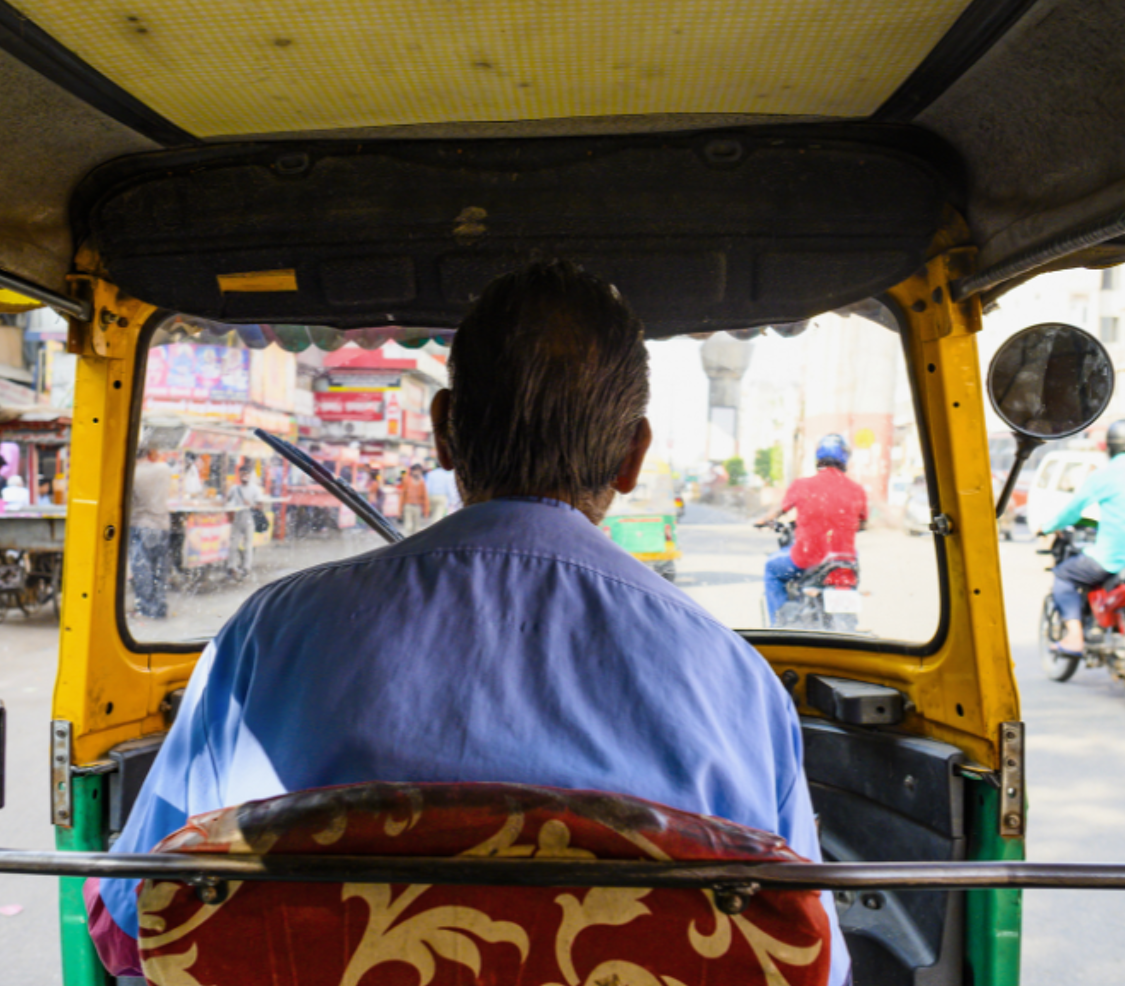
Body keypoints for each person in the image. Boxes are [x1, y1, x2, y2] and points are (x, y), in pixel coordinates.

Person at [90, 259, 846, 984]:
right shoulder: (734, 679)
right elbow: (806, 957)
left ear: (444, 431)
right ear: (633, 456)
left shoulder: (270, 633)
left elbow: (130, 924)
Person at [1039, 419, 1125, 655]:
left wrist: (1047, 527)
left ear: (1111, 446)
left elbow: (1073, 511)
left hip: (1113, 559)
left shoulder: (1105, 475)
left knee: (1064, 575)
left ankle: (1074, 637)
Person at [755, 435, 868, 624]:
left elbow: (779, 510)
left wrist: (764, 520)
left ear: (819, 457)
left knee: (772, 568)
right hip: (844, 561)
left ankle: (777, 626)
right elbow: (863, 523)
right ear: (844, 458)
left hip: (807, 558)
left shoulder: (802, 485)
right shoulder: (857, 490)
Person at [129, 446, 172, 620]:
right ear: (149, 453)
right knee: (160, 568)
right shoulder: (164, 469)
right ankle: (160, 605)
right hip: (162, 525)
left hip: (141, 525)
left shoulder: (132, 474)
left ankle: (147, 607)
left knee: (143, 568)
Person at [398, 462, 429, 533]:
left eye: (419, 470)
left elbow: (425, 498)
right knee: (408, 526)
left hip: (417, 507)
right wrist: (400, 511)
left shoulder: (422, 482)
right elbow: (402, 496)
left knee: (416, 528)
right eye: (415, 470)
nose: (417, 472)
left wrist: (426, 512)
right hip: (408, 506)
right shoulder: (407, 481)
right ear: (412, 471)